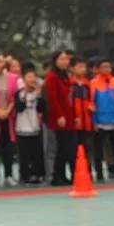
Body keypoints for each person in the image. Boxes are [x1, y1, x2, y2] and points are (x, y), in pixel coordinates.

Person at [91, 59, 114, 181]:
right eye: (103, 67)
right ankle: (99, 174)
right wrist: (94, 121)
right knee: (99, 150)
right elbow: (91, 103)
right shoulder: (93, 83)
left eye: (108, 67)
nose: (106, 69)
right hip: (100, 121)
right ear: (98, 69)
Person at [44, 50, 75, 186]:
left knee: (67, 147)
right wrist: (59, 115)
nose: (65, 61)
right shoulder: (51, 77)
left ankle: (62, 175)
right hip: (59, 117)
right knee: (62, 147)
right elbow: (52, 98)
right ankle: (57, 176)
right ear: (55, 61)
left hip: (68, 115)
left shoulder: (65, 76)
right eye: (61, 59)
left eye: (66, 59)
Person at [14, 64, 46, 184]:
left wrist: (38, 96)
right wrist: (26, 95)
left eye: (33, 77)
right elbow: (19, 108)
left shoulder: (39, 93)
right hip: (22, 128)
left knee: (37, 153)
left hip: (35, 127)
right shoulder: (19, 93)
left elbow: (42, 109)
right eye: (29, 77)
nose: (32, 79)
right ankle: (24, 176)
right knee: (24, 155)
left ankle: (36, 174)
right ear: (23, 79)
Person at [0, 53, 18, 185]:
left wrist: (7, 111)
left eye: (2, 62)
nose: (0, 64)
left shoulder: (13, 78)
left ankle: (8, 175)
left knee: (8, 147)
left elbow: (15, 97)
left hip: (8, 117)